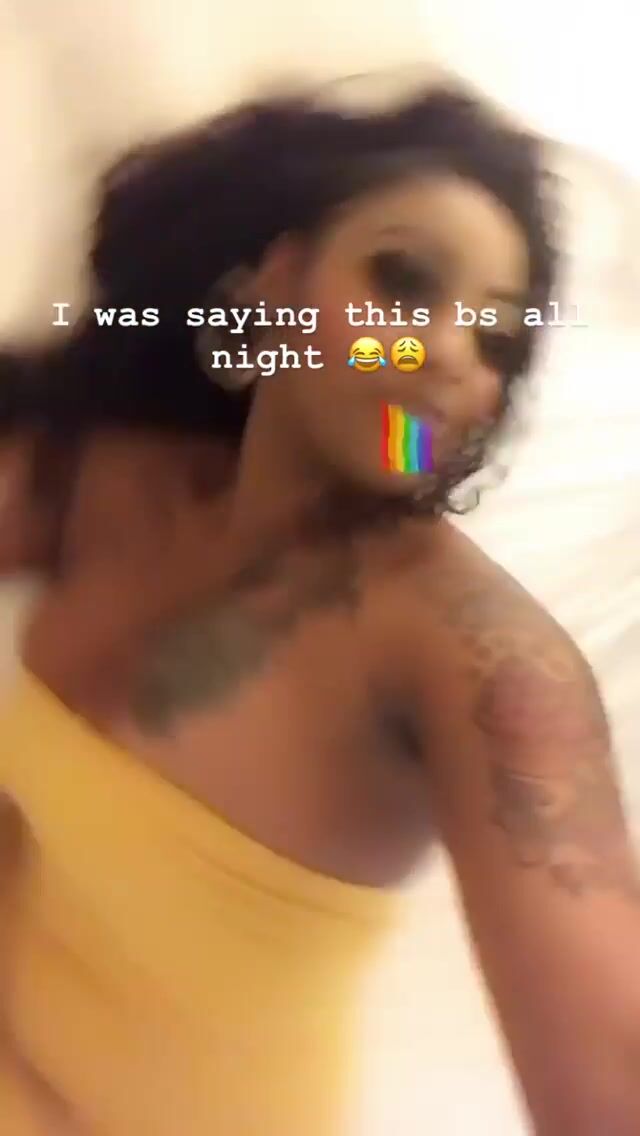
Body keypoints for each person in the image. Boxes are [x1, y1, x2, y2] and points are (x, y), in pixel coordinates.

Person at [0, 80, 639, 1135]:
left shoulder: (471, 652)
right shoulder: (108, 480)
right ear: (281, 283)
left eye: (496, 339)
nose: (446, 354)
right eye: (405, 280)